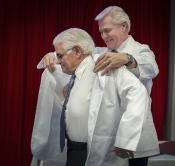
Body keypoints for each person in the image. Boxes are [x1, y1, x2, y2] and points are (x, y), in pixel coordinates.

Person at [31, 28, 159, 166]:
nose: (58, 60)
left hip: (93, 151)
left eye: (60, 56)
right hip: (73, 150)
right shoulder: (73, 71)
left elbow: (138, 92)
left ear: (78, 52)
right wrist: (51, 56)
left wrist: (126, 138)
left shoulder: (104, 65)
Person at [43, 6, 159, 97]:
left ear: (123, 26)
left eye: (107, 30)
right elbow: (73, 53)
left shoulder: (141, 50)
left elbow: (152, 68)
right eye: (101, 32)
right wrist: (53, 55)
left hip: (134, 122)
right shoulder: (99, 52)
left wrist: (126, 58)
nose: (103, 36)